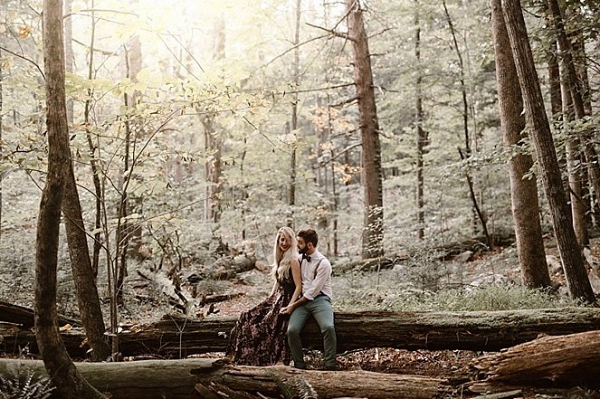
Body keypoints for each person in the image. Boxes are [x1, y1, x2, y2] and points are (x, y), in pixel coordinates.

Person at [226, 226, 302, 365]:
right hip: (276, 299)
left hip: (286, 300)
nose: (284, 243)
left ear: (292, 241)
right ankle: (240, 357)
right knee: (246, 317)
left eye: (287, 240)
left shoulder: (293, 260)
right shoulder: (281, 258)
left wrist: (290, 306)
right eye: (282, 240)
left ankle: (260, 359)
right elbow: (278, 283)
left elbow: (298, 286)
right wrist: (269, 299)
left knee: (265, 326)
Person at [281, 227, 337, 370]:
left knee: (328, 327)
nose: (297, 246)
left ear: (309, 245)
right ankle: (299, 365)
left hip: (320, 299)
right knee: (291, 331)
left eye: (299, 243)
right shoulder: (299, 259)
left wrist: (292, 306)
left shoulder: (324, 263)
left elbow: (313, 292)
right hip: (302, 302)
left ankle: (330, 364)